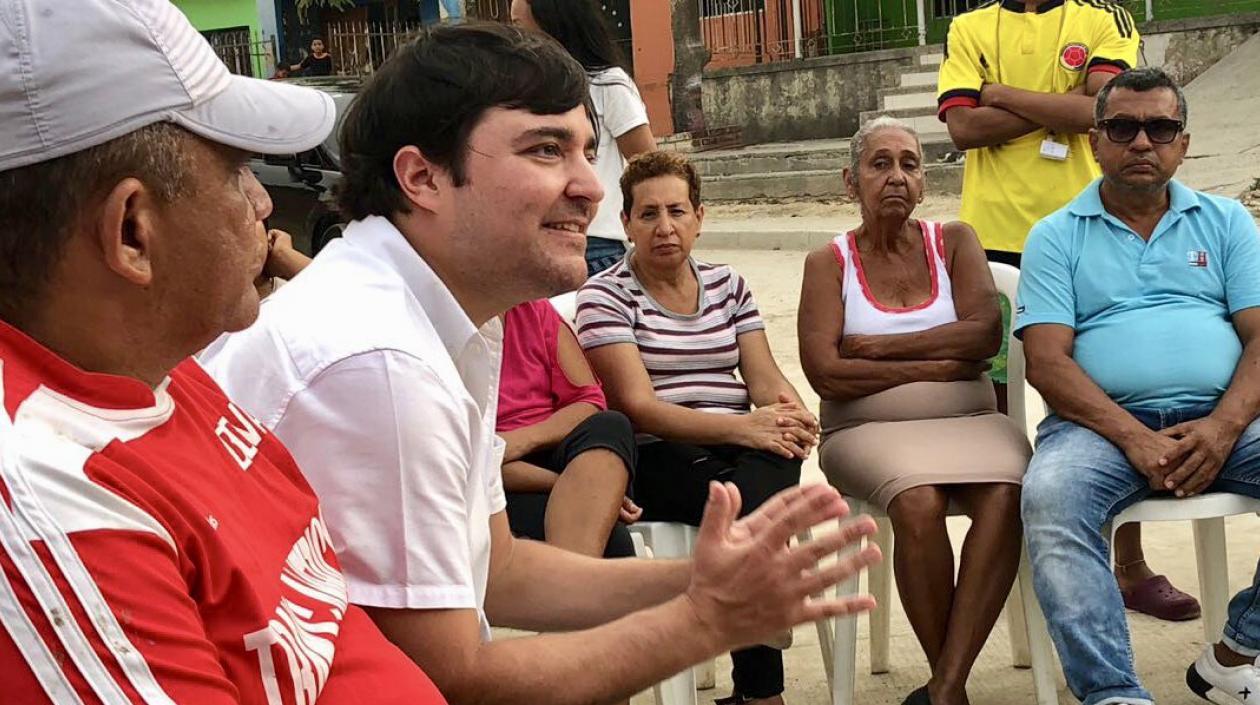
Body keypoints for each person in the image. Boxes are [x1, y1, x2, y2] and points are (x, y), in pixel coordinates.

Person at [201, 22, 882, 705]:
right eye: (547, 150)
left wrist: (709, 577)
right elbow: (452, 677)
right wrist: (706, 619)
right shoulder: (380, 361)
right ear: (422, 176)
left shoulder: (443, 312)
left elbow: (503, 568)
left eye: (587, 150)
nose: (590, 186)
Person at [0, 1, 448, 702]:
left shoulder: (159, 370)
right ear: (132, 233)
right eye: (238, 169)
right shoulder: (47, 501)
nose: (262, 203)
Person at [935, 0, 1188, 619]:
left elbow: (1108, 115)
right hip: (990, 241)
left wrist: (1001, 93)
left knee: (1106, 399)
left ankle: (1128, 565)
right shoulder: (968, 26)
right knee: (992, 412)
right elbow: (963, 130)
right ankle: (1005, 569)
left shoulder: (1104, 18)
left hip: (1088, 230)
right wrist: (1063, 105)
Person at [1016, 68, 1260, 705]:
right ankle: (1113, 693)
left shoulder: (1227, 222)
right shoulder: (1054, 235)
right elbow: (1046, 362)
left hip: (1225, 419)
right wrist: (1133, 437)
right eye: (1123, 127)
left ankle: (1237, 651)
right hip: (1098, 428)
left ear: (1183, 142)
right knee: (1050, 500)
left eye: (1160, 127)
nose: (1142, 142)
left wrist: (1224, 425)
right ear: (1096, 141)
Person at [798, 116, 1031, 705]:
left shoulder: (955, 241)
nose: (896, 176)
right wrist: (942, 366)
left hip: (971, 423)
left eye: (909, 163)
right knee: (919, 500)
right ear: (850, 182)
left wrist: (878, 349)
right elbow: (826, 373)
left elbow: (983, 335)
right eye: (880, 164)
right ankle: (949, 682)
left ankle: (945, 688)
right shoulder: (828, 263)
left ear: (925, 182)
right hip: (867, 428)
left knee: (1009, 493)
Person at [578, 151, 818, 705]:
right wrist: (747, 430)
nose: (665, 228)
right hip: (661, 453)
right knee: (737, 493)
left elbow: (763, 378)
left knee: (778, 451)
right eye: (649, 214)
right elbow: (638, 408)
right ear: (626, 223)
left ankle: (748, 611)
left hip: (742, 448)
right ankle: (762, 672)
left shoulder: (728, 285)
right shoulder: (606, 295)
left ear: (700, 217)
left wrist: (790, 410)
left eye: (678, 212)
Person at [512, 0, 656, 277]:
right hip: (538, 244)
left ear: (552, 23)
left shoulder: (607, 85)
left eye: (519, 26)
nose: (515, 38)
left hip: (597, 246)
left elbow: (648, 166)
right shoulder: (525, 91)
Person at [497, 298, 641, 558]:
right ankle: (571, 590)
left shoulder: (534, 309)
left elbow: (588, 402)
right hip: (497, 477)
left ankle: (568, 589)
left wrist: (522, 440)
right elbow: (471, 458)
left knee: (612, 424)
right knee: (612, 540)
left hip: (550, 448)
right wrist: (585, 487)